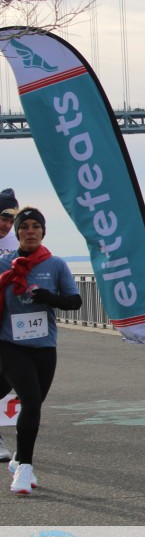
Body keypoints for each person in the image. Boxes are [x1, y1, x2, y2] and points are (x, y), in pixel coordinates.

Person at [0, 208, 82, 495]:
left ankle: (19, 458)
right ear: (18, 233)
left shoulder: (55, 264)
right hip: (9, 344)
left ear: (43, 232)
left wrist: (51, 298)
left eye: (36, 226)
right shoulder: (3, 264)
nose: (30, 231)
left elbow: (75, 301)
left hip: (44, 346)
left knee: (34, 402)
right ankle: (25, 470)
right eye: (24, 227)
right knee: (31, 401)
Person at [0, 189, 18, 461]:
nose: (6, 225)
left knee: (8, 377)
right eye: (3, 217)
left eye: (10, 220)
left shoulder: (16, 242)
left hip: (10, 322)